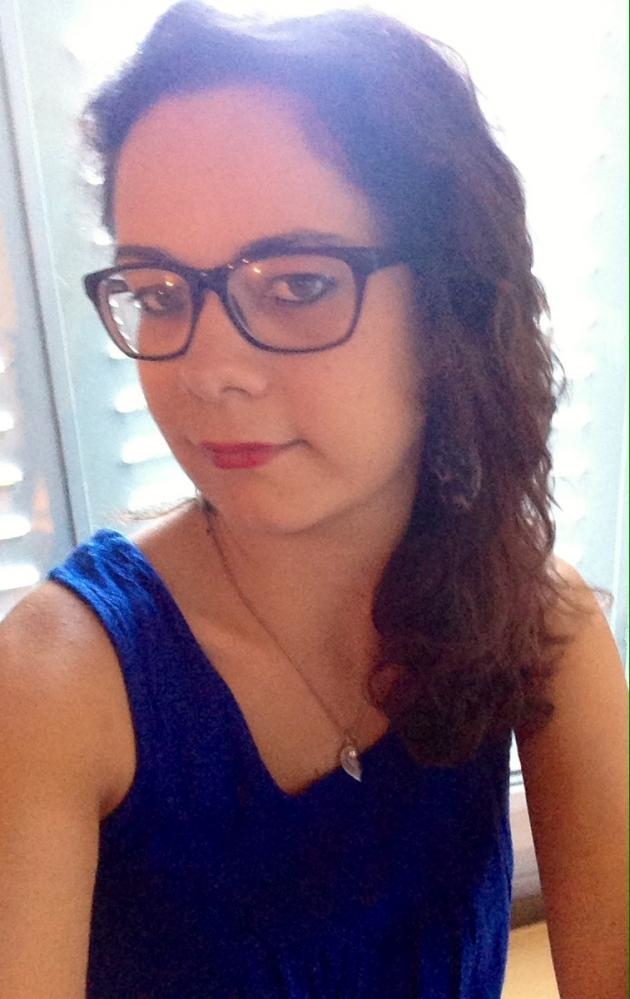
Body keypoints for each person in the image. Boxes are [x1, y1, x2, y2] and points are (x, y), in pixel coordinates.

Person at [0, 3, 627, 997]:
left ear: (452, 302)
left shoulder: (529, 617)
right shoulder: (59, 684)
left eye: (295, 285)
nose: (209, 370)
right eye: (158, 293)